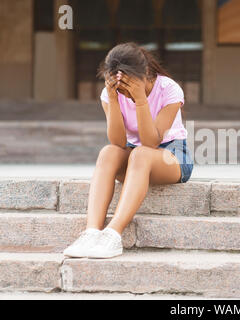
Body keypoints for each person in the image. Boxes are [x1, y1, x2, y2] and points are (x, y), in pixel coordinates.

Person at [64, 42, 193, 259]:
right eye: (119, 85)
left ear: (146, 74)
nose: (124, 91)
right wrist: (114, 99)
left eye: (128, 85)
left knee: (141, 153)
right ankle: (92, 232)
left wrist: (141, 100)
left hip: (171, 155)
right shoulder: (111, 93)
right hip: (135, 154)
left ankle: (113, 235)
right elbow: (117, 141)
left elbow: (151, 142)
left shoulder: (169, 89)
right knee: (108, 152)